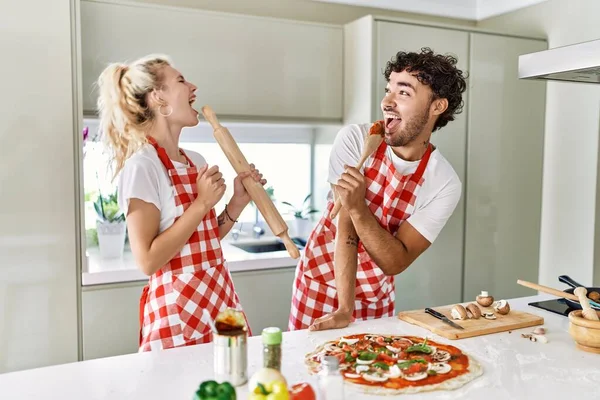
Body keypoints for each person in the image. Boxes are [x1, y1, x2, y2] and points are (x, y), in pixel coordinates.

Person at [96, 54, 266, 351]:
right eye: (181, 81)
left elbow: (203, 238)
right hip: (177, 315)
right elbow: (147, 260)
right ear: (157, 98)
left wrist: (236, 203)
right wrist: (201, 203)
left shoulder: (194, 161)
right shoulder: (143, 167)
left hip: (219, 300)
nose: (193, 87)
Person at [289, 47, 466, 331]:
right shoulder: (355, 140)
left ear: (437, 106)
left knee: (377, 369)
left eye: (403, 92)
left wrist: (359, 206)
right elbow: (345, 228)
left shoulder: (443, 182)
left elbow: (395, 261)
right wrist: (344, 308)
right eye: (388, 90)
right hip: (322, 279)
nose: (386, 101)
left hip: (377, 291)